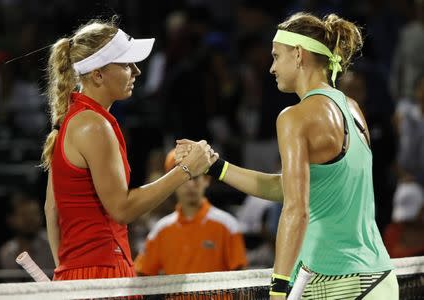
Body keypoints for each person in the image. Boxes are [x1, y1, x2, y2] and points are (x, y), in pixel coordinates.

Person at [177, 12, 397, 299]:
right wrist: (216, 166)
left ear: (298, 55)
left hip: (335, 284)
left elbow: (296, 208)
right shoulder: (352, 108)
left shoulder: (294, 117)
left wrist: (278, 287)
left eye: (276, 56)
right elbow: (291, 189)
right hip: (379, 278)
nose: (271, 68)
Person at [42, 18, 216, 281]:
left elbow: (51, 209)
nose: (136, 71)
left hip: (81, 276)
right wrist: (185, 170)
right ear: (98, 74)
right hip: (103, 275)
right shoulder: (94, 126)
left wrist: (66, 273)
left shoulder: (74, 120)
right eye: (125, 64)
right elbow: (121, 209)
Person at [134, 149, 247, 275]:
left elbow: (241, 279)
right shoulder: (160, 231)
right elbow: (141, 273)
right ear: (171, 183)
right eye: (183, 178)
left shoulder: (228, 226)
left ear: (206, 180)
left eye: (195, 177)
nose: (190, 184)